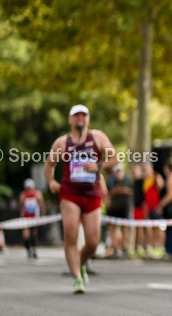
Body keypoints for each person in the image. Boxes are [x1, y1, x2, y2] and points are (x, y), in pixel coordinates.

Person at [43, 104, 118, 294]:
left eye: (84, 116)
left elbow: (114, 158)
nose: (80, 119)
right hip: (70, 194)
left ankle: (81, 263)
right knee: (71, 235)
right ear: (70, 120)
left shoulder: (98, 137)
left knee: (93, 242)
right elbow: (49, 164)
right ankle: (77, 277)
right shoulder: (62, 143)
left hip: (92, 195)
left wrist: (98, 165)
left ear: (88, 119)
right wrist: (51, 181)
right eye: (76, 116)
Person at [105, 165, 133, 258]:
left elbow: (133, 191)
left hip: (124, 206)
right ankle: (116, 248)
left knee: (125, 227)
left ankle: (124, 247)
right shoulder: (111, 180)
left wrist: (123, 190)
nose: (118, 173)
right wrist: (115, 191)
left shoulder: (127, 179)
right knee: (113, 227)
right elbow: (107, 193)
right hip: (114, 207)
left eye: (119, 171)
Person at [19, 179, 44, 259]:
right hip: (26, 218)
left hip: (34, 218)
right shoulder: (23, 195)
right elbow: (20, 206)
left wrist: (43, 214)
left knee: (34, 234)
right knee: (26, 234)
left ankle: (33, 249)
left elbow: (42, 204)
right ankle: (28, 250)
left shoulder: (37, 195)